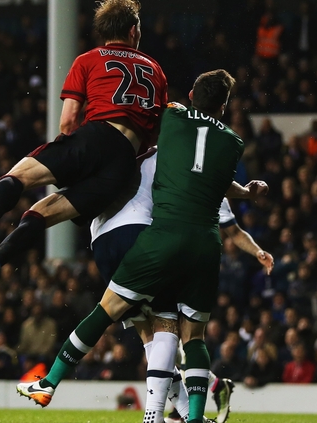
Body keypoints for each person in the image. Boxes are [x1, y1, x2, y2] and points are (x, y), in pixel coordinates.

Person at [17, 69, 241, 423]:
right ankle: (176, 414)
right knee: (180, 331)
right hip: (194, 240)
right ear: (225, 107)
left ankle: (51, 381)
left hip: (113, 235)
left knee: (122, 319)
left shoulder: (166, 122)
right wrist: (249, 194)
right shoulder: (230, 143)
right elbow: (222, 183)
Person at [0, 0, 168, 285]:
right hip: (124, 164)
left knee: (18, 176)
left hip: (95, 137)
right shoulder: (155, 70)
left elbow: (69, 120)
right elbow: (157, 131)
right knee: (42, 214)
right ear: (133, 30)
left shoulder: (88, 60)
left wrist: (70, 156)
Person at [89, 145, 272, 423]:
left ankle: (177, 410)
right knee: (166, 340)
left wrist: (257, 251)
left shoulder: (204, 186)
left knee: (170, 338)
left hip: (180, 264)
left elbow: (233, 231)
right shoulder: (159, 172)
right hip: (157, 257)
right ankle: (201, 398)